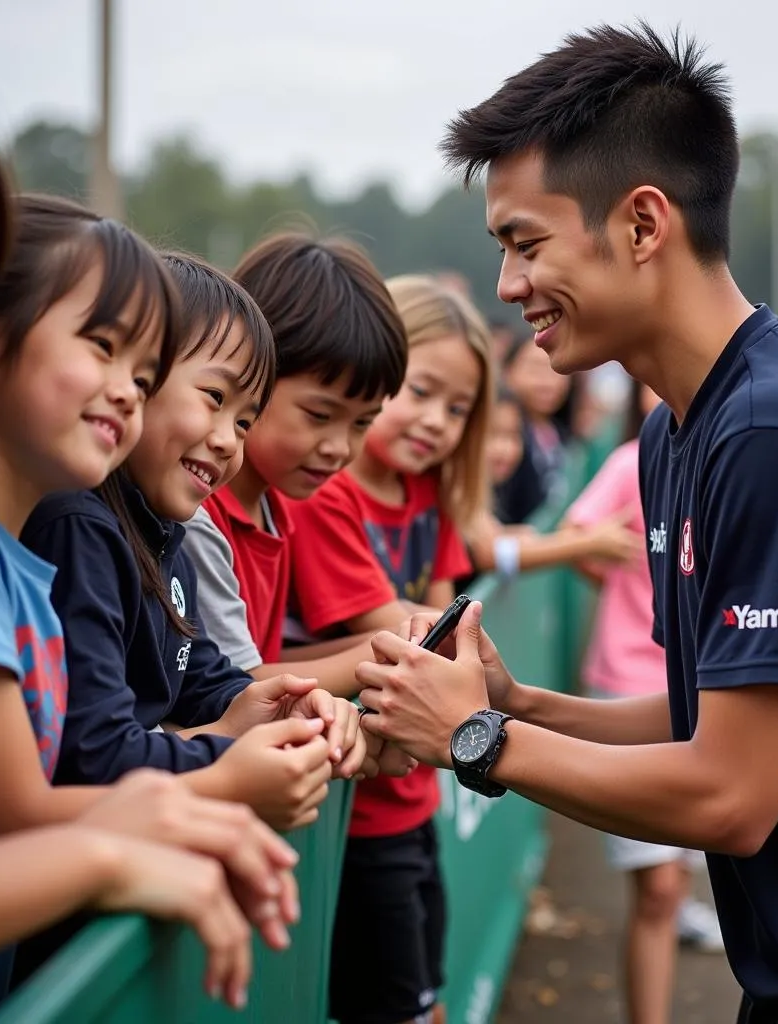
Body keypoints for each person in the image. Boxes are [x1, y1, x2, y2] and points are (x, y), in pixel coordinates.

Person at [356, 23, 778, 1024]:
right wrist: (519, 704)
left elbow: (729, 799)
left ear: (643, 223)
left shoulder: (775, 429)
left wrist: (474, 738)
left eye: (526, 243)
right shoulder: (675, 434)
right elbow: (705, 713)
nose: (507, 286)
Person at [0, 78, 292, 1024]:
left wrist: (235, 719)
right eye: (103, 347)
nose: (127, 391)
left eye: (145, 371)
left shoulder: (13, 550)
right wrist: (218, 777)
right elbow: (24, 815)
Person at [20, 251, 364, 831]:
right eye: (215, 398)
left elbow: (201, 673)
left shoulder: (165, 531)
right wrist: (229, 751)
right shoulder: (77, 527)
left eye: (246, 421)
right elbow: (96, 755)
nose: (230, 441)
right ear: (139, 380)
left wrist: (282, 705)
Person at [287, 274, 490, 1024]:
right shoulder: (328, 494)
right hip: (358, 813)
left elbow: (441, 623)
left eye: (458, 407)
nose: (437, 422)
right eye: (420, 391)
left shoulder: (430, 495)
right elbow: (415, 638)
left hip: (413, 795)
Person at [182, 232, 408, 696]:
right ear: (252, 372)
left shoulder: (274, 506)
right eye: (319, 415)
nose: (338, 447)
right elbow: (242, 688)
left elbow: (262, 660)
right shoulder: (196, 511)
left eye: (362, 423)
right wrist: (393, 650)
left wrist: (390, 642)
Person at [564, 378, 720, 1024]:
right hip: (628, 679)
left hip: (701, 686)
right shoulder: (634, 458)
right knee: (657, 887)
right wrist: (627, 584)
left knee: (675, 880)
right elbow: (578, 531)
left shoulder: (727, 452)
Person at [463, 384, 642, 581]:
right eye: (491, 435)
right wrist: (589, 543)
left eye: (513, 435)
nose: (504, 448)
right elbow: (490, 554)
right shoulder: (458, 492)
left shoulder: (478, 495)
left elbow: (493, 539)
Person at [493, 335, 572, 523]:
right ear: (507, 371)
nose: (547, 380)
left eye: (555, 369)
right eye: (535, 368)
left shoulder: (566, 437)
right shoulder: (500, 434)